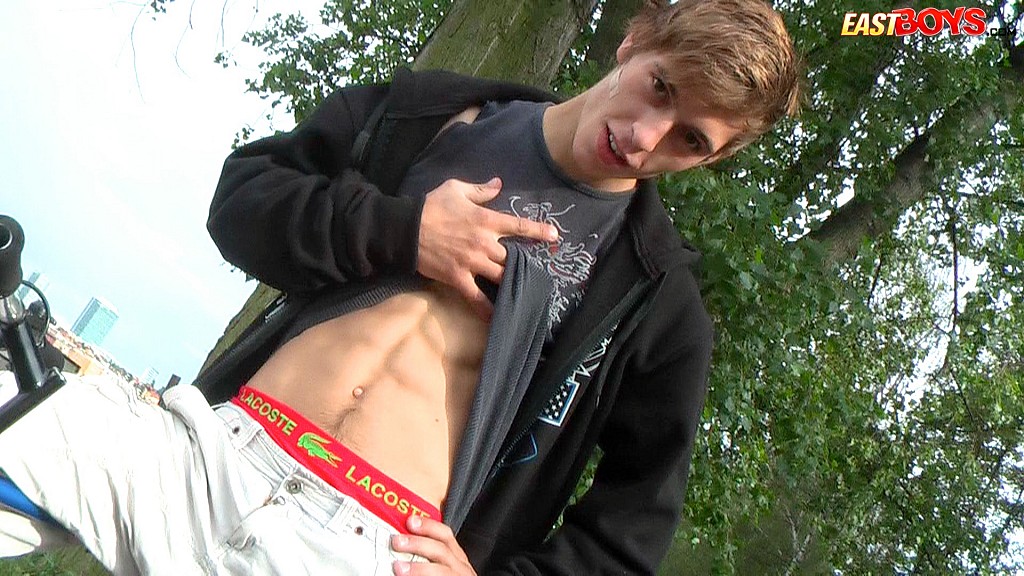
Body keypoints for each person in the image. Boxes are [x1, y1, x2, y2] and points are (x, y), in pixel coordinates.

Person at [0, 0, 800, 574]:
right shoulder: (428, 112)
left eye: (690, 139)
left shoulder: (656, 303)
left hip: (370, 548)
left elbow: (631, 528)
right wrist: (403, 231)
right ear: (634, 42)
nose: (646, 137)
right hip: (212, 451)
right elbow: (241, 203)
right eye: (660, 88)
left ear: (713, 157)